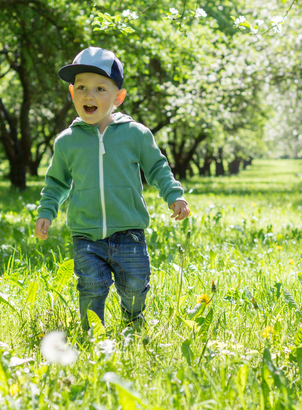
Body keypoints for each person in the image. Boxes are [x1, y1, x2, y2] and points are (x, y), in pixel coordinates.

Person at [34, 46, 191, 331]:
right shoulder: (67, 141)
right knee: (91, 287)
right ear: (72, 94)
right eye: (81, 87)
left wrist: (174, 195)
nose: (89, 95)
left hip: (128, 230)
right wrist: (46, 211)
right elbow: (56, 182)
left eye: (99, 88)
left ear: (118, 97)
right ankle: (93, 333)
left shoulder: (136, 134)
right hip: (86, 233)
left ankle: (133, 323)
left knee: (134, 286)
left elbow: (157, 167)